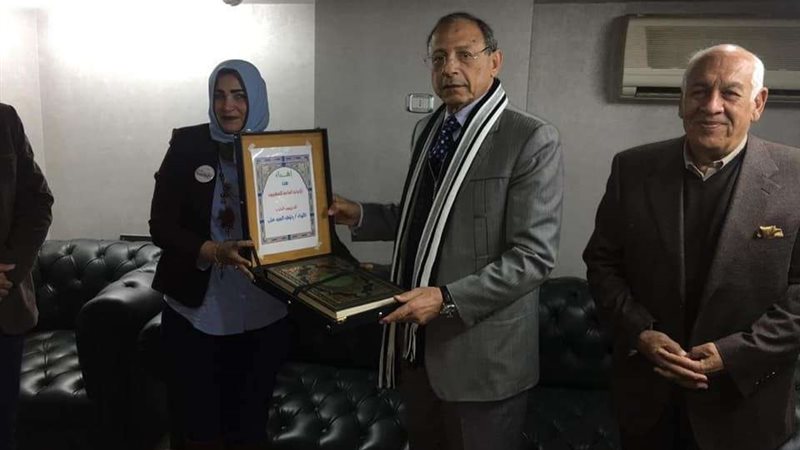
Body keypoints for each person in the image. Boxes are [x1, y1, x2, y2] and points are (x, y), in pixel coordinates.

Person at [329, 12, 563, 450]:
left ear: (495, 61)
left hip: (483, 360)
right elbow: (425, 218)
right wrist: (357, 214)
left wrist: (447, 299)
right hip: (417, 348)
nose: (450, 67)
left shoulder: (530, 138)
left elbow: (533, 258)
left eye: (464, 55)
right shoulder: (428, 129)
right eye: (438, 57)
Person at [583, 44, 800, 450]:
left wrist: (732, 354)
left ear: (758, 103)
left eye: (730, 93)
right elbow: (602, 263)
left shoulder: (796, 176)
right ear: (681, 101)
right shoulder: (632, 168)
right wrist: (641, 332)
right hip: (649, 403)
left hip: (746, 409)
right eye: (699, 91)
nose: (711, 106)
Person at [149, 60, 289, 450]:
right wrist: (211, 250)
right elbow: (160, 225)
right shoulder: (187, 146)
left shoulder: (281, 152)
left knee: (249, 428)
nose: (228, 106)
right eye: (220, 95)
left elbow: (301, 225)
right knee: (197, 429)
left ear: (256, 98)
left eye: (239, 96)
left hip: (261, 314)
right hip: (195, 312)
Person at [0, 103, 54, 450]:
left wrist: (8, 271)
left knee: (4, 427)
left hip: (5, 306)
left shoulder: (5, 120)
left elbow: (38, 203)